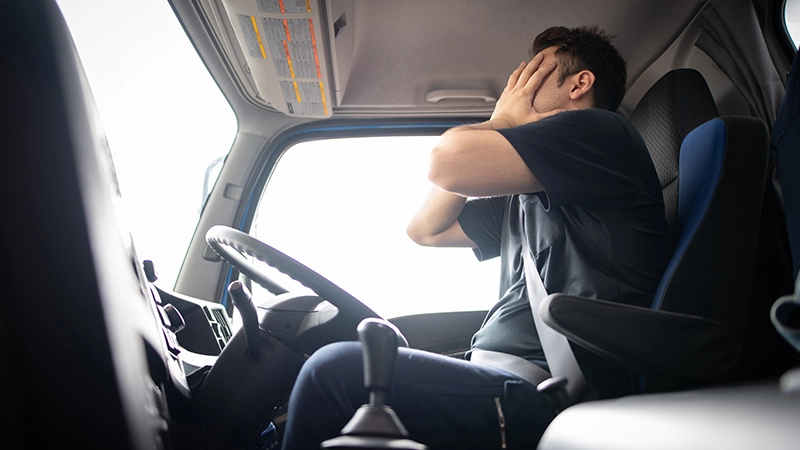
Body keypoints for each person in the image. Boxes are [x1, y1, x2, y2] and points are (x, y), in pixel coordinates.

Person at [280, 26, 668, 449]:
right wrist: (499, 139)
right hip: (498, 372)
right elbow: (426, 229)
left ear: (580, 83)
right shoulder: (532, 185)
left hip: (553, 391)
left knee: (334, 372)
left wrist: (502, 121)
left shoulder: (603, 134)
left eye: (537, 72)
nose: (518, 85)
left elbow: (445, 164)